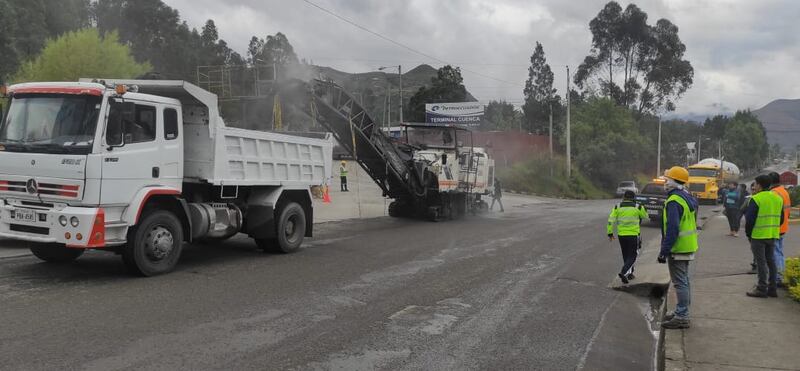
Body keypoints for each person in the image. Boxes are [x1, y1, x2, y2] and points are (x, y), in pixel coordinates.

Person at [659, 166, 699, 330]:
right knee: (684, 281)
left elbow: (673, 228)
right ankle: (681, 311)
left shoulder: (674, 201)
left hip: (678, 247)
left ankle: (682, 316)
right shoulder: (687, 197)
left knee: (680, 282)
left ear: (674, 181)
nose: (665, 182)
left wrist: (664, 250)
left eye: (667, 179)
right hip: (688, 245)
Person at [745, 174, 784, 298]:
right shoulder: (777, 198)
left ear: (760, 185)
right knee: (771, 261)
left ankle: (761, 289)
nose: (754, 186)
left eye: (755, 184)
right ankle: (772, 289)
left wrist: (749, 235)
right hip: (772, 235)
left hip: (758, 236)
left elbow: (749, 220)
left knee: (761, 263)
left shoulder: (756, 199)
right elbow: (782, 218)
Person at [607, 190, 647, 284]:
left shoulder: (617, 206)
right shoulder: (638, 207)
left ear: (624, 197)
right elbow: (645, 216)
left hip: (622, 235)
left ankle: (630, 274)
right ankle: (624, 271)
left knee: (626, 254)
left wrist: (610, 233)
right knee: (633, 255)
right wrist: (642, 209)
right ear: (634, 198)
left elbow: (610, 220)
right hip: (633, 235)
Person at [769, 172, 791, 289]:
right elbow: (788, 211)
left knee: (775, 253)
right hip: (783, 226)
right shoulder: (784, 191)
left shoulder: (774, 193)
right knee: (779, 252)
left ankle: (778, 277)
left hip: (776, 227)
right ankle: (781, 274)